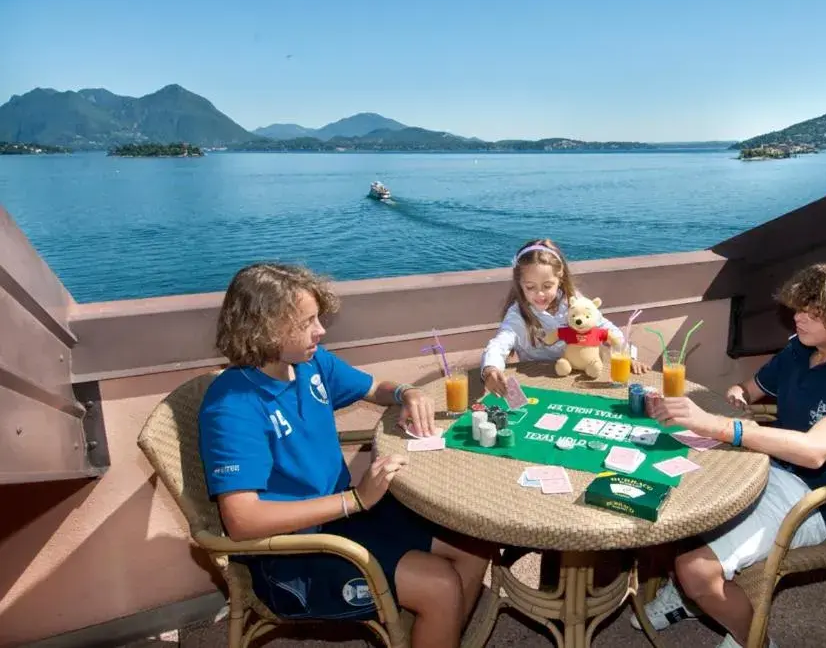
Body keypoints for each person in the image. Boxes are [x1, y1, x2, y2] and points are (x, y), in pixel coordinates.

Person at [198, 263, 491, 648]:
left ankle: (439, 634)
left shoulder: (310, 365)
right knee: (440, 586)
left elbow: (375, 388)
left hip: (345, 518)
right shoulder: (233, 406)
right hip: (291, 556)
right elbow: (242, 520)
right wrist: (354, 500)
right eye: (307, 322)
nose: (320, 330)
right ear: (265, 328)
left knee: (475, 547)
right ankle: (438, 615)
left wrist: (407, 393)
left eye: (317, 317)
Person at [634, 260, 826, 648]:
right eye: (799, 307)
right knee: (663, 492)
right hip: (765, 467)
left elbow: (814, 452)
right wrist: (739, 396)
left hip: (812, 498)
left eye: (813, 312)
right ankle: (692, 600)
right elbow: (750, 388)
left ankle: (751, 640)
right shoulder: (799, 350)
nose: (798, 318)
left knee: (695, 568)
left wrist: (722, 427)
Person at [481, 238, 648, 395]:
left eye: (547, 286)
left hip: (579, 378)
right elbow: (499, 344)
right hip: (537, 382)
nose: (540, 294)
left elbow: (607, 328)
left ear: (559, 277)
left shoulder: (574, 303)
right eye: (530, 287)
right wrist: (490, 369)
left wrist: (628, 356)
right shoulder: (517, 314)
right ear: (520, 283)